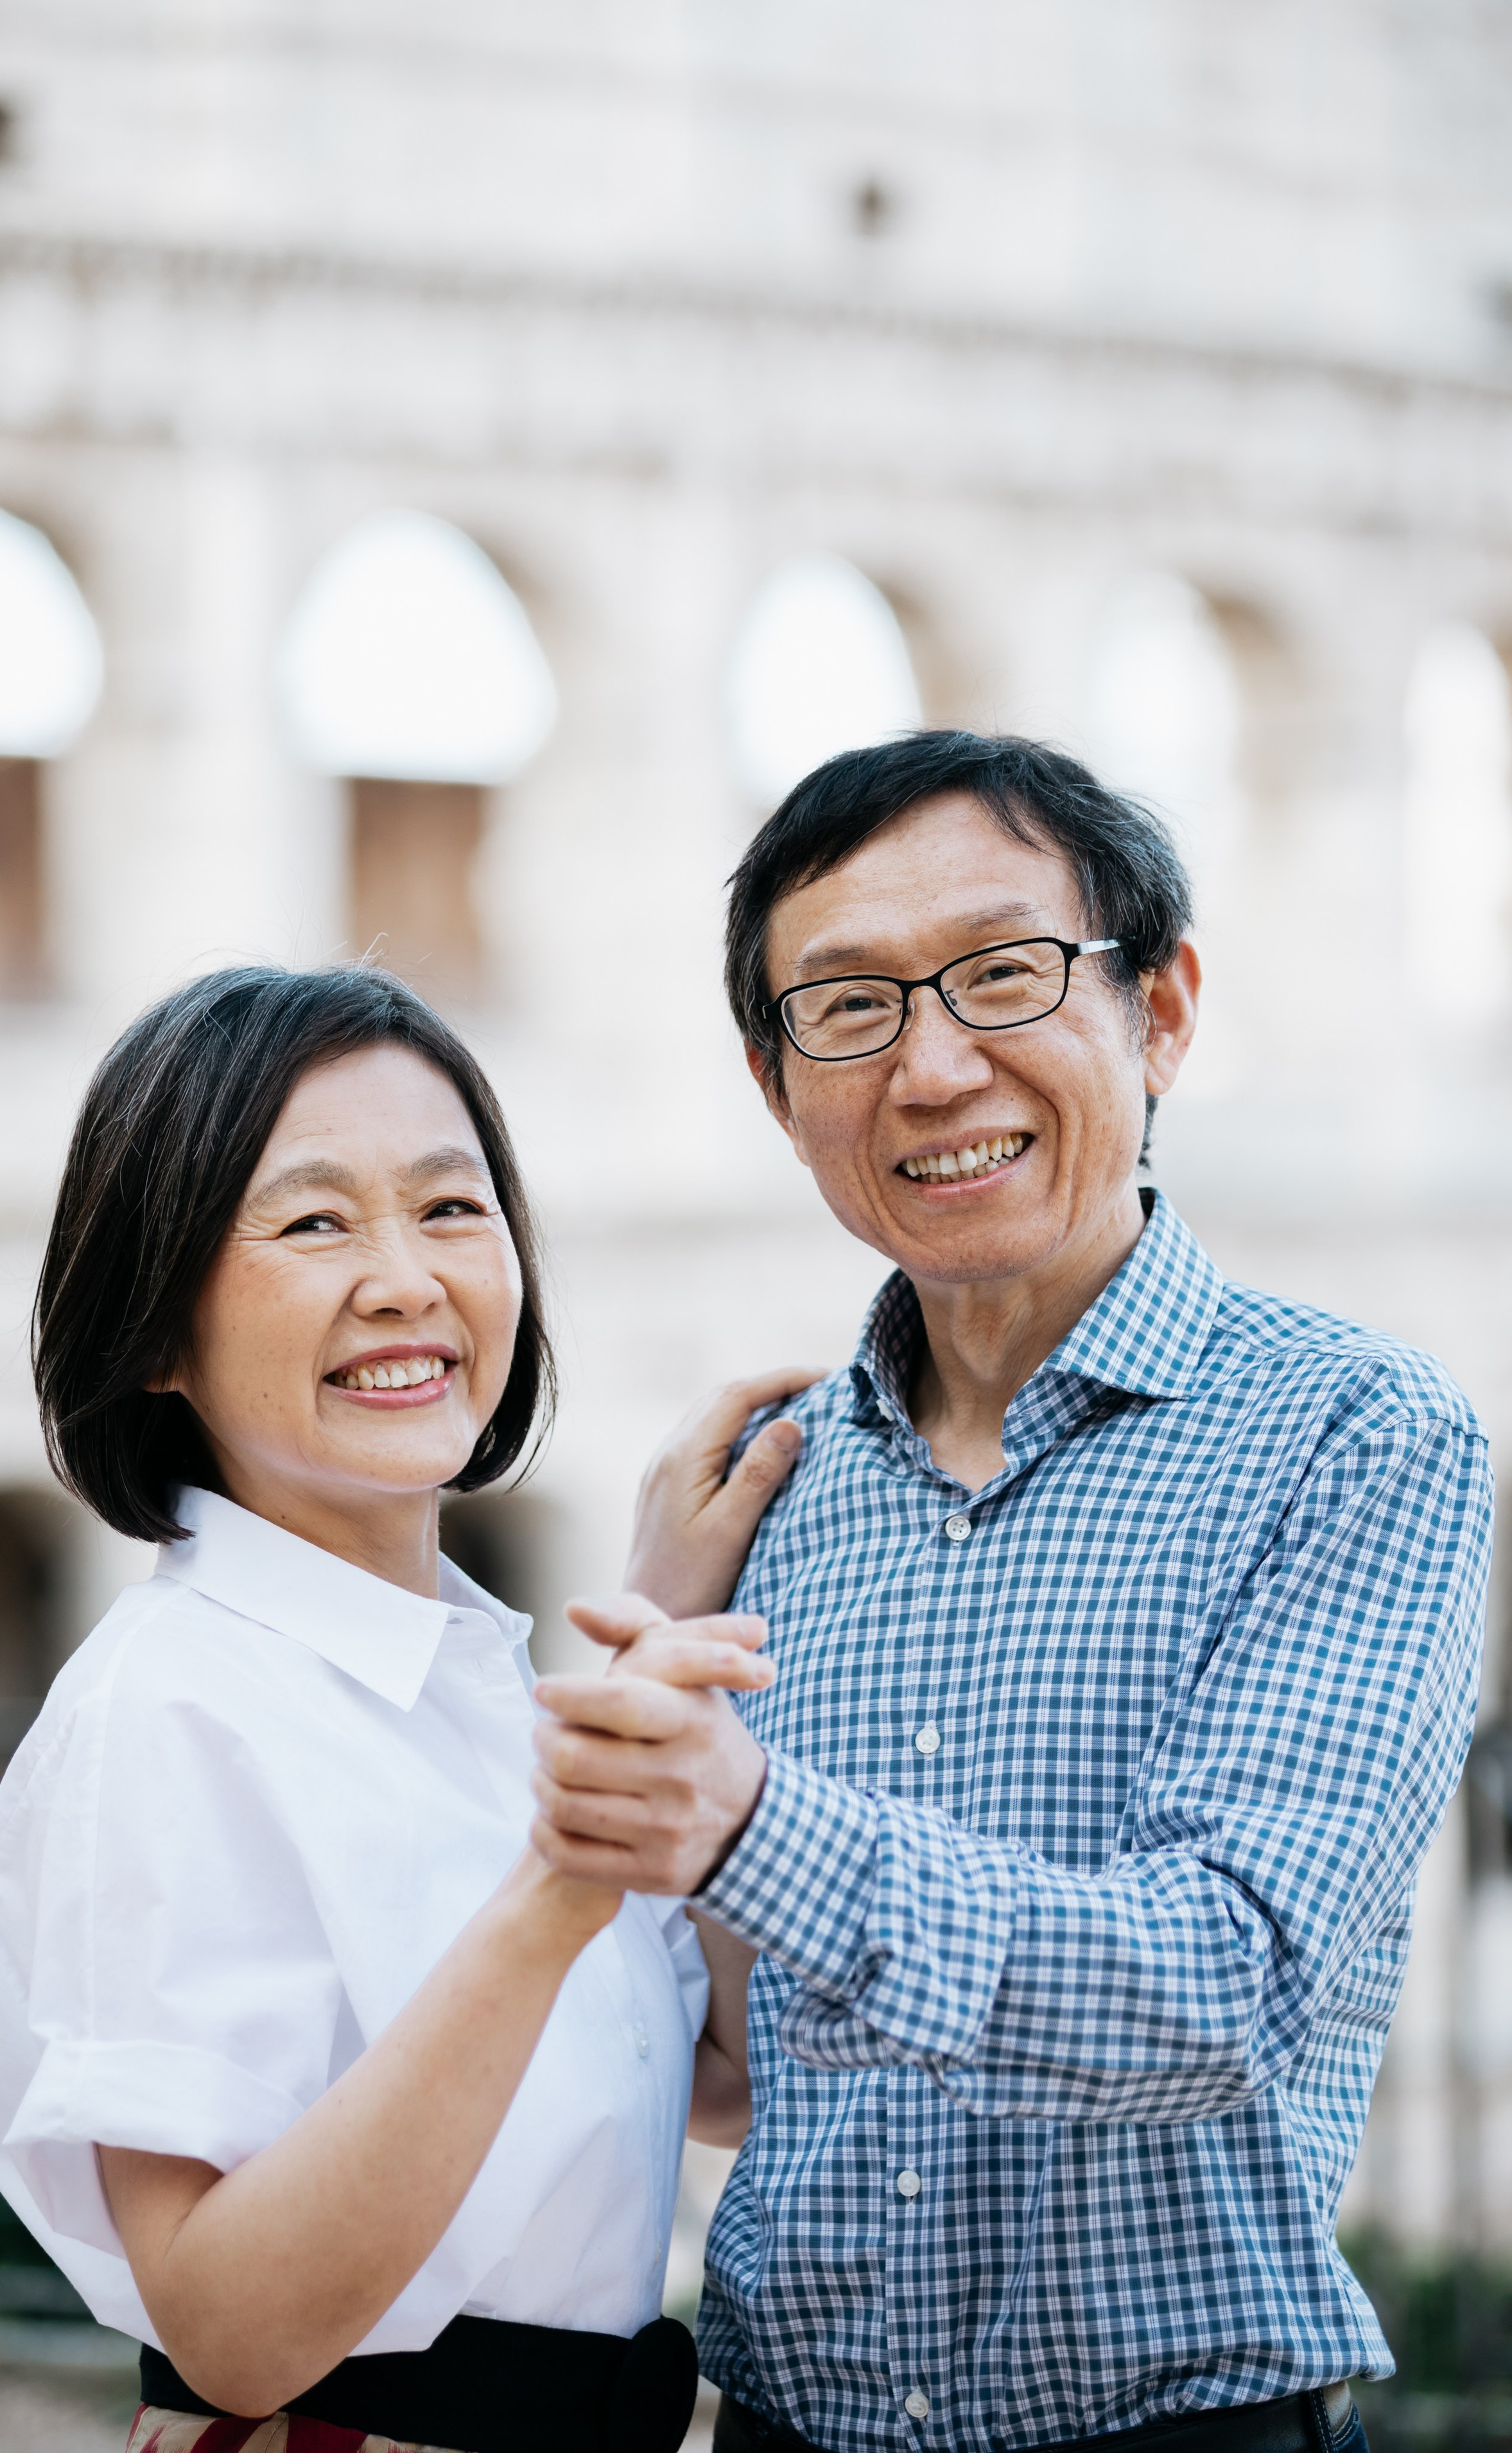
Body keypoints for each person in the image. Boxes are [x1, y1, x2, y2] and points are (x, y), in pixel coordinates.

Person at [528, 732, 1493, 2453]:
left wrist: (751, 1820)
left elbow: (1234, 1986)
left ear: (1162, 1011)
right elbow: (724, 2076)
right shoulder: (765, 1491)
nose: (933, 1065)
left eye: (1003, 973)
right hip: (774, 2427)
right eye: (849, 1006)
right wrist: (662, 1642)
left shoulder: (1359, 1433)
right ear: (777, 1087)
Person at [0, 963, 786, 2453]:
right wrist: (558, 1885)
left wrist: (658, 1637)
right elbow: (231, 2326)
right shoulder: (175, 1701)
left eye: (452, 1209)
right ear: (153, 1326)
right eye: (316, 1220)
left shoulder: (471, 1687)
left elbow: (710, 2079)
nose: (407, 1278)